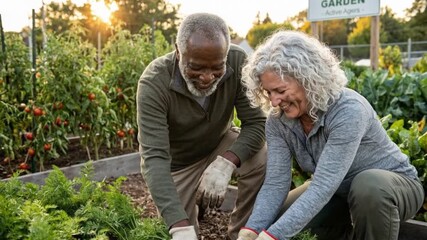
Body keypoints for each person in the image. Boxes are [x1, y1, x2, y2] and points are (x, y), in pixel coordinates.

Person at [236, 30, 425, 240]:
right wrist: (252, 230)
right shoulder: (278, 121)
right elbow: (275, 183)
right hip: (339, 193)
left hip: (391, 190)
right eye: (268, 92)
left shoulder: (348, 110)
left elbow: (323, 185)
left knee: (368, 186)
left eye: (280, 91)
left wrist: (273, 237)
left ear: (307, 79)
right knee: (279, 218)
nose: (273, 101)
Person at [136, 13, 267, 240]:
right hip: (179, 165)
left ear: (226, 56)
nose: (207, 78)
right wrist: (179, 226)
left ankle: (243, 234)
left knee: (262, 157)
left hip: (218, 145)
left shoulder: (238, 61)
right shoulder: (154, 82)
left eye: (217, 68)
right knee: (181, 232)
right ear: (178, 52)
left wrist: (227, 163)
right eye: (195, 68)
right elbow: (154, 157)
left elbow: (257, 123)